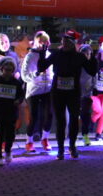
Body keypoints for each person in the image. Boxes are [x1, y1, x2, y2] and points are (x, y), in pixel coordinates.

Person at [37, 29, 97, 159]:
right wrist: (41, 54)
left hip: (73, 93)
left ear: (73, 43)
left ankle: (72, 146)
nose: (64, 44)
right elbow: (42, 67)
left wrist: (92, 56)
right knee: (60, 121)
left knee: (74, 119)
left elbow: (92, 71)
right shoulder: (57, 54)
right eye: (63, 41)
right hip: (58, 92)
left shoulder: (79, 56)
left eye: (67, 42)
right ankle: (60, 149)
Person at [0, 57, 25, 166]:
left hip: (11, 112)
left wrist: (18, 101)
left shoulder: (16, 83)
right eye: (6, 70)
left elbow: (21, 95)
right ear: (2, 69)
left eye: (10, 70)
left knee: (10, 134)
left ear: (13, 71)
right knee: (0, 134)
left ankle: (8, 151)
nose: (8, 72)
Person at [23, 31, 53, 153]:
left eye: (45, 41)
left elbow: (53, 73)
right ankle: (29, 141)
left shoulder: (49, 55)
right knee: (33, 116)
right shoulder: (30, 56)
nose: (43, 44)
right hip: (34, 91)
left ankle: (45, 139)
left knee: (49, 115)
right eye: (40, 41)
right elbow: (24, 76)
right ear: (35, 42)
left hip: (48, 90)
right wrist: (36, 74)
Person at [79, 43, 95, 145]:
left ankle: (85, 135)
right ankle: (71, 137)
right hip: (76, 94)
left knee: (86, 116)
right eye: (85, 54)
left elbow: (94, 78)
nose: (87, 56)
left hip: (87, 95)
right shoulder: (77, 65)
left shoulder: (92, 65)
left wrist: (92, 87)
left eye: (89, 54)